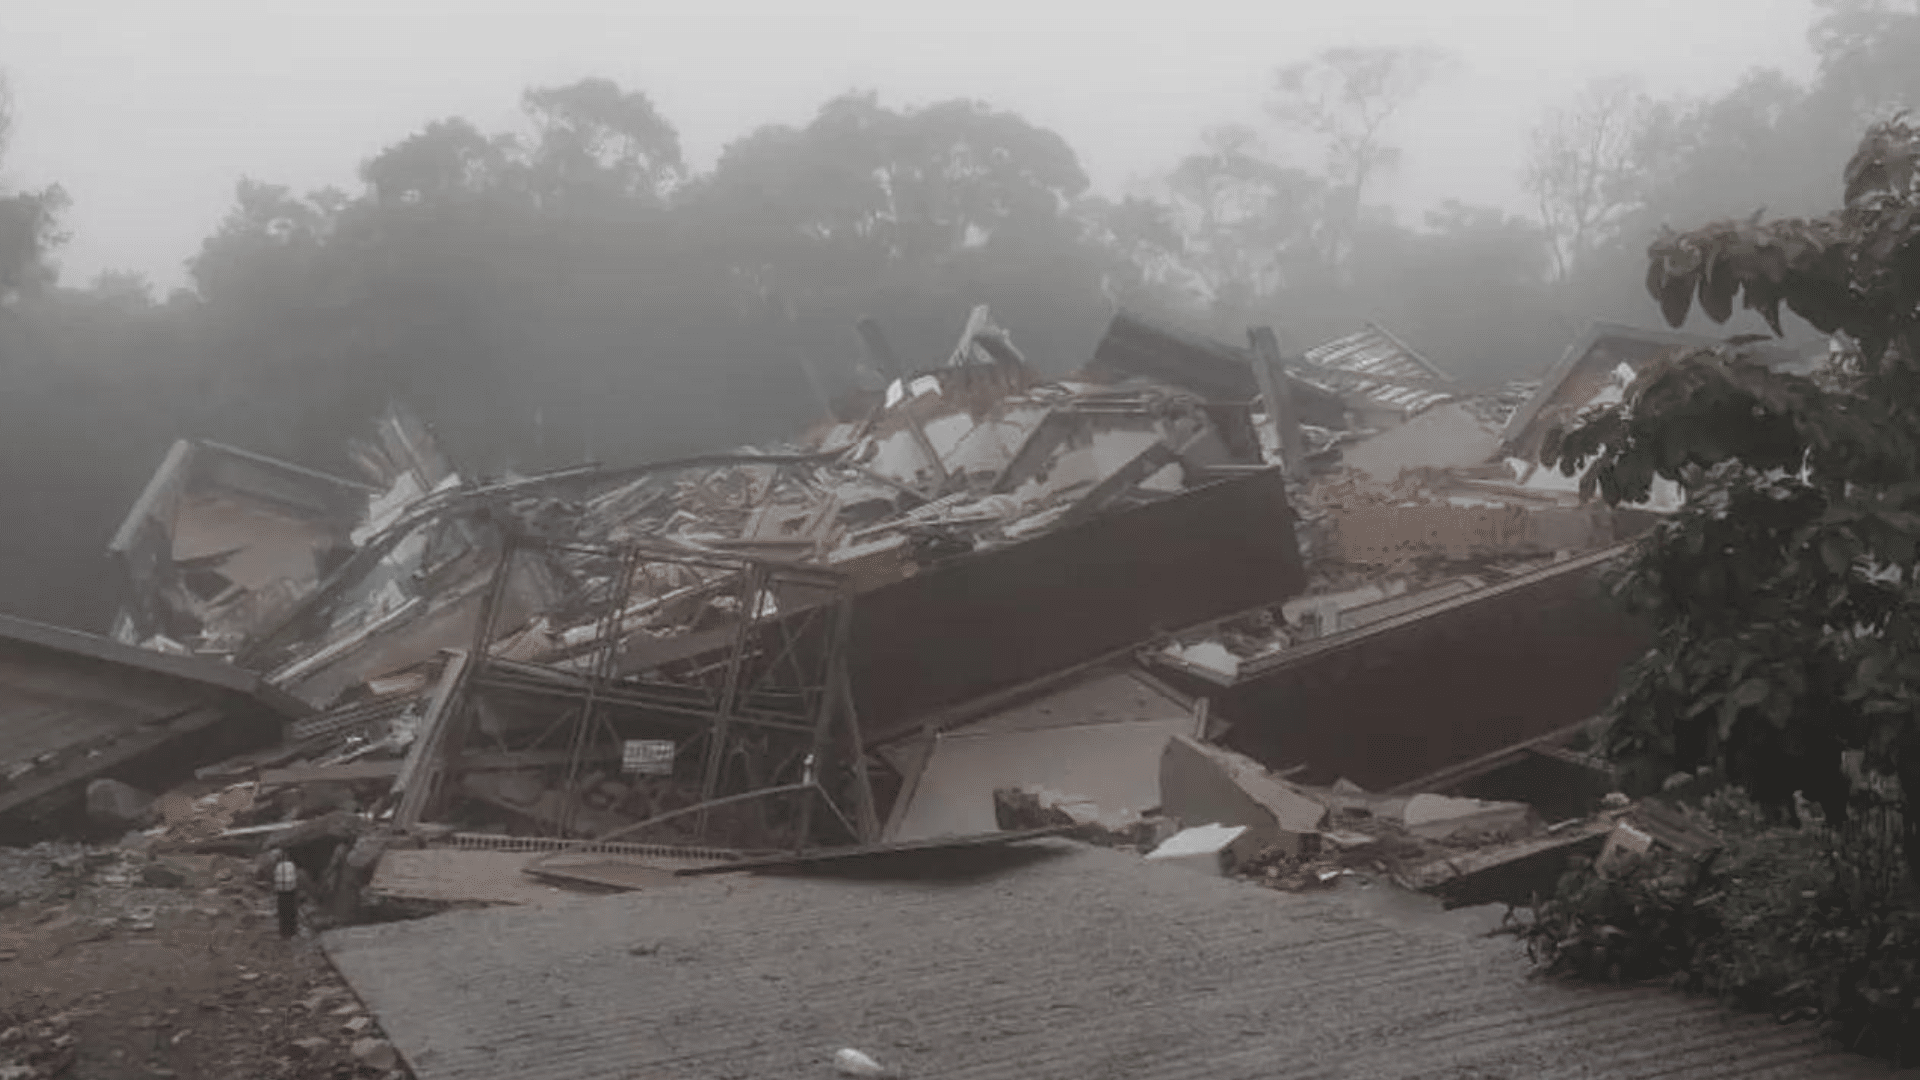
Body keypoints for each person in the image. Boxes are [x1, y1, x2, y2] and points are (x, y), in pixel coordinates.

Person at [272, 849, 299, 938]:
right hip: (290, 892)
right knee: (291, 912)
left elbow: (275, 879)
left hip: (281, 892)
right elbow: (295, 878)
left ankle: (283, 932)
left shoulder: (278, 866)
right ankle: (292, 931)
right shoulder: (291, 865)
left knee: (283, 913)